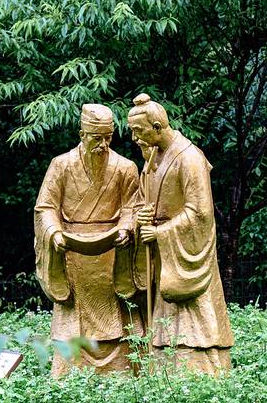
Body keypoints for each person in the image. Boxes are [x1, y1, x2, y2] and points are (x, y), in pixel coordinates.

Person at [127, 93, 234, 374]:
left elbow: (200, 212)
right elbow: (142, 198)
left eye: (139, 131)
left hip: (182, 250)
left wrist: (161, 232)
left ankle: (202, 365)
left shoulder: (189, 157)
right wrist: (141, 215)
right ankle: (165, 365)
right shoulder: (153, 157)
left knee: (195, 311)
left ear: (157, 127)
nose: (135, 138)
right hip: (163, 252)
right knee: (165, 316)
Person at [34, 104, 142, 377]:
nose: (103, 145)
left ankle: (121, 369)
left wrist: (126, 230)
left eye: (108, 138)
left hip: (112, 255)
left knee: (117, 320)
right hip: (73, 253)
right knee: (73, 324)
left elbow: (133, 207)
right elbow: (45, 208)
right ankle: (70, 371)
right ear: (82, 134)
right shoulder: (61, 165)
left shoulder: (125, 168)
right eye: (97, 138)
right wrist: (54, 233)